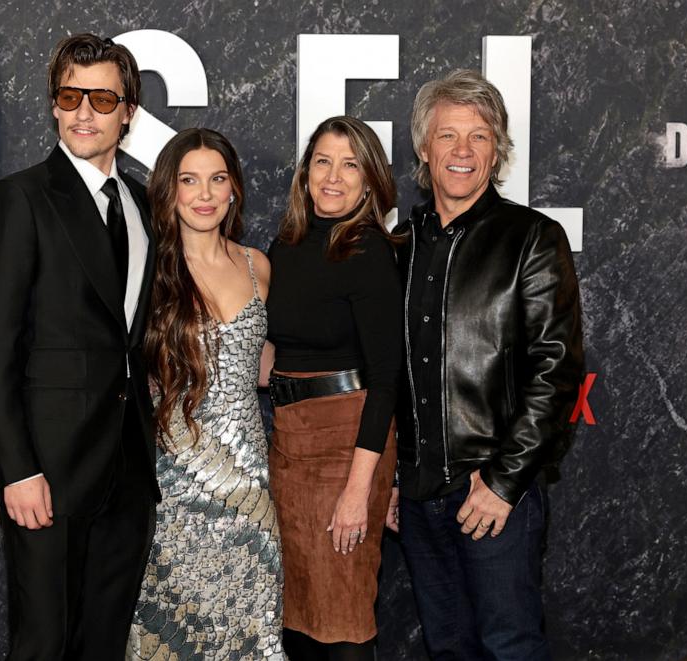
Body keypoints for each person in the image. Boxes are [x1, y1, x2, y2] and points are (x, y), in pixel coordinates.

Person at [0, 34, 158, 659]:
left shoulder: (141, 203)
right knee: (43, 645)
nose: (83, 112)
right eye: (70, 95)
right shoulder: (19, 199)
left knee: (102, 645)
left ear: (128, 111)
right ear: (53, 104)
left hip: (126, 472)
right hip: (48, 471)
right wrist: (16, 469)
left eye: (102, 99)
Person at [389, 69, 585, 660]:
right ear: (424, 148)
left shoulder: (532, 237)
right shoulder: (400, 244)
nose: (463, 151)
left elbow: (556, 374)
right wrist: (395, 477)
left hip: (496, 492)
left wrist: (502, 483)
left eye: (479, 136)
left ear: (496, 149)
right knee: (449, 649)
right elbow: (387, 371)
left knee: (510, 648)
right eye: (449, 136)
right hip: (420, 497)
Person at [125, 127, 283, 659]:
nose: (205, 194)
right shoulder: (147, 270)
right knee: (172, 632)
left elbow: (258, 362)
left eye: (217, 179)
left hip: (249, 489)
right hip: (174, 487)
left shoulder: (258, 266)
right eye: (189, 180)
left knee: (250, 629)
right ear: (169, 191)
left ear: (234, 188)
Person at [266, 116, 402, 660]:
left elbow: (386, 379)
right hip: (287, 442)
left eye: (351, 165)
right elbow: (276, 351)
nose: (334, 177)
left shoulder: (368, 251)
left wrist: (358, 492)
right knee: (298, 617)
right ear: (305, 173)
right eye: (323, 161)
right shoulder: (287, 245)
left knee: (342, 616)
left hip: (347, 443)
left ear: (370, 182)